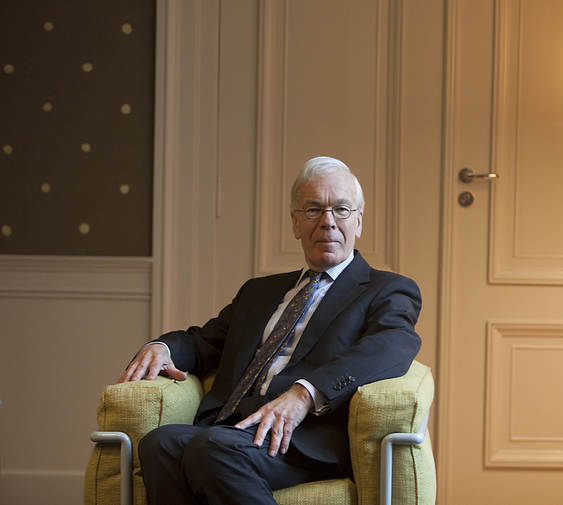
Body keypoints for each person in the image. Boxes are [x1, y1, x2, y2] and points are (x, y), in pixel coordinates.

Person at [118, 156, 421, 505]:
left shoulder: (386, 289)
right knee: (159, 444)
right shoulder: (259, 292)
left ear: (359, 221)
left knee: (212, 447)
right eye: (313, 210)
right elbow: (205, 341)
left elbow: (392, 346)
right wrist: (162, 348)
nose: (328, 221)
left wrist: (305, 394)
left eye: (341, 209)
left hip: (303, 437)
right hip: (231, 426)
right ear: (295, 223)